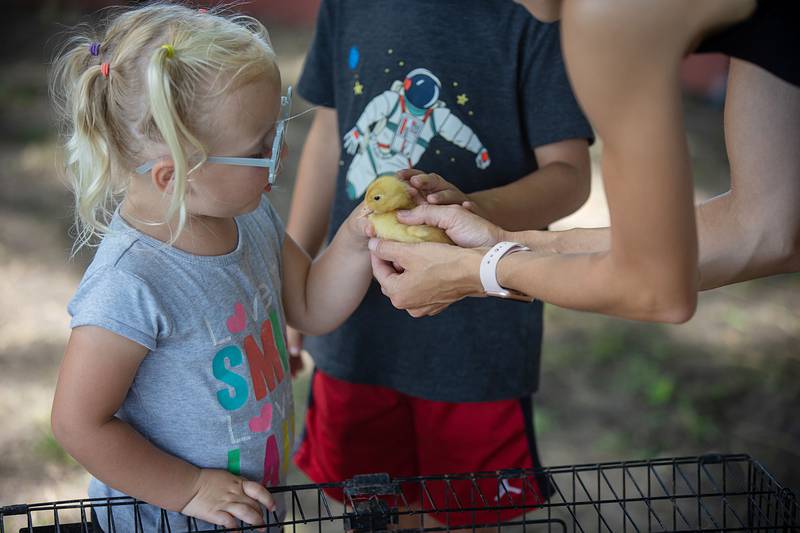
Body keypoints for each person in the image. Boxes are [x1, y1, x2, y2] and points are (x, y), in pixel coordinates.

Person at [48, 4, 372, 532]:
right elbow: (78, 424)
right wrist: (190, 488)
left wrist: (357, 239)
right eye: (259, 148)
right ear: (175, 176)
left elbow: (310, 303)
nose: (280, 154)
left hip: (244, 511)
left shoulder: (249, 217)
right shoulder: (130, 285)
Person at [286, 0, 593, 527]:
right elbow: (328, 135)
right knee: (375, 511)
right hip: (357, 327)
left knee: (466, 514)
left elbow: (569, 175)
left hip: (476, 336)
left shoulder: (535, 14)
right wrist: (292, 284)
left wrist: (470, 207)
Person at [368, 0, 800, 323]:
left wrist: (476, 271)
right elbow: (768, 231)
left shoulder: (608, 13)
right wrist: (499, 244)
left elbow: (657, 290)